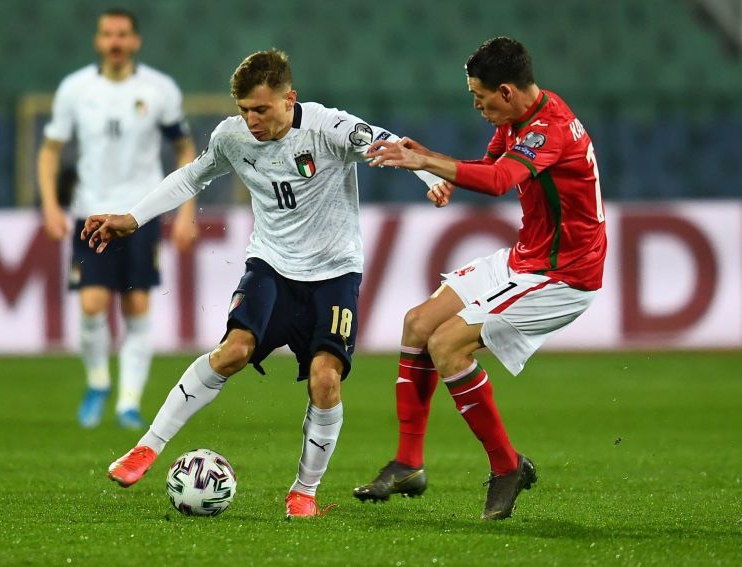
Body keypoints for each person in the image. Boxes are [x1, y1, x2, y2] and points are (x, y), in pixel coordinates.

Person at [81, 49, 443, 518]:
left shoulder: (328, 127)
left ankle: (304, 492)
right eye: (244, 110)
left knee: (325, 380)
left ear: (289, 99)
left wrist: (428, 177)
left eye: (261, 109)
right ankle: (146, 448)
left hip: (334, 273)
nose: (251, 120)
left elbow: (391, 144)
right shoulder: (232, 137)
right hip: (271, 264)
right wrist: (133, 217)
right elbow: (193, 176)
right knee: (232, 350)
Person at [353, 36, 608, 521]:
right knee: (417, 325)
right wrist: (427, 156)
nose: (477, 105)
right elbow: (490, 166)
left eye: (480, 96)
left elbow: (496, 184)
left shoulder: (548, 128)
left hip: (564, 275)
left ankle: (507, 466)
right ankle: (408, 463)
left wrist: (424, 161)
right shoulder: (519, 119)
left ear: (507, 91)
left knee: (448, 346)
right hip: (525, 257)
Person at [37, 8, 197, 430]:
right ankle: (97, 382)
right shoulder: (75, 89)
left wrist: (184, 213)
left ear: (135, 41)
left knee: (137, 305)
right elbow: (51, 150)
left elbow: (185, 151)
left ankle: (128, 401)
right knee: (92, 305)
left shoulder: (159, 90)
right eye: (108, 34)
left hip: (138, 215)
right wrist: (50, 205)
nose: (115, 41)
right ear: (98, 40)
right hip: (89, 212)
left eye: (123, 34)